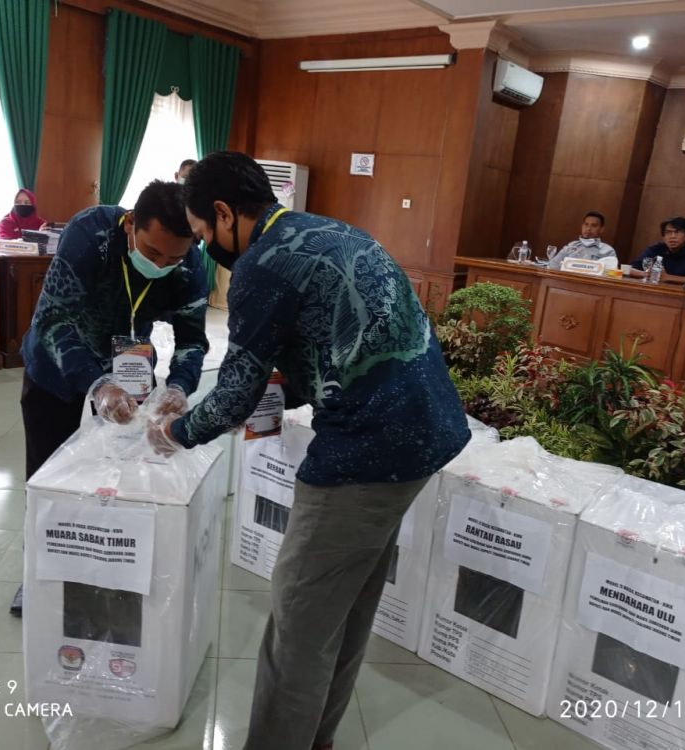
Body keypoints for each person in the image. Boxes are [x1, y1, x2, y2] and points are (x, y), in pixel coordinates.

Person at [147, 152, 469, 750]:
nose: (202, 251)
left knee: (298, 623)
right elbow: (331, 341)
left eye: (199, 236)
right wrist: (285, 387)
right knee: (342, 607)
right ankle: (315, 738)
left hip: (367, 452)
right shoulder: (324, 230)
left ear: (223, 213)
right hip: (429, 431)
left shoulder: (262, 265)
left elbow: (236, 393)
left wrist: (173, 433)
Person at [10, 179, 209, 616]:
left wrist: (179, 386)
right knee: (47, 473)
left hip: (130, 367)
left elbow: (193, 340)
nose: (162, 264)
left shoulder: (191, 265)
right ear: (130, 225)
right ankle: (38, 573)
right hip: (58, 365)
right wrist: (96, 385)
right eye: (153, 252)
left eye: (173, 257)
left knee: (125, 473)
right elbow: (55, 320)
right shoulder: (90, 234)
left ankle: (113, 561)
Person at [630, 216, 685, 283]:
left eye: (677, 232)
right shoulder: (655, 249)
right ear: (663, 237)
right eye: (668, 232)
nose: (672, 236)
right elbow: (630, 269)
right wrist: (646, 274)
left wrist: (668, 277)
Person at [548, 210, 617, 270]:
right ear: (582, 226)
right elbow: (553, 266)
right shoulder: (571, 246)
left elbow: (610, 276)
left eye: (594, 225)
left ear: (602, 229)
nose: (588, 228)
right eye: (586, 224)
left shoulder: (608, 251)